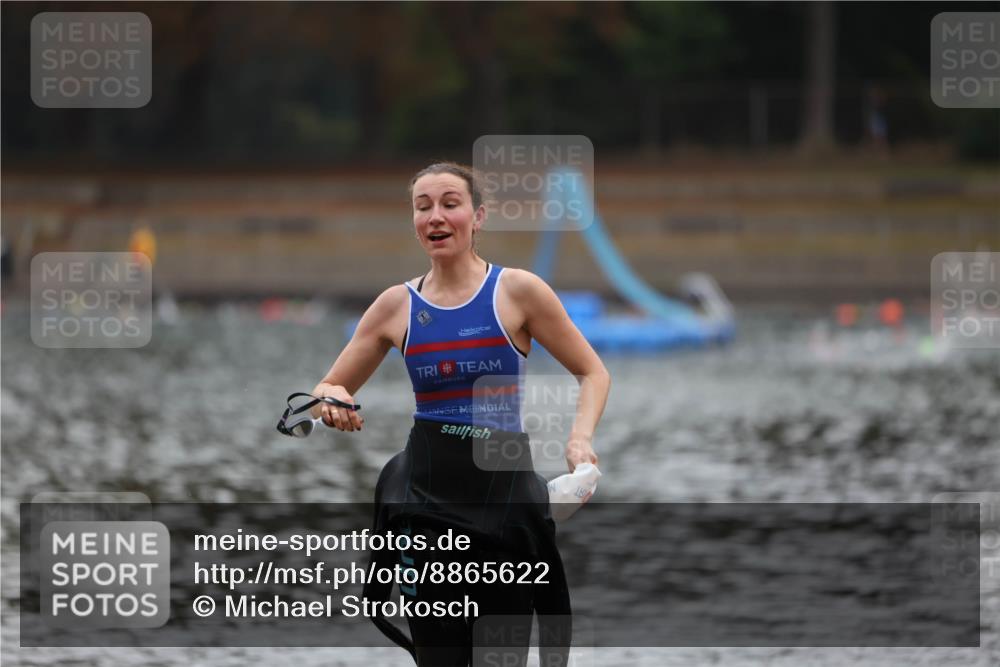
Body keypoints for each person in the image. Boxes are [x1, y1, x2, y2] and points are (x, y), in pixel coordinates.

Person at [310, 162, 610, 666]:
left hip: (505, 507)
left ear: (478, 215)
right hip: (425, 507)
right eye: (423, 206)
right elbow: (330, 386)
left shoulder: (517, 291)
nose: (436, 216)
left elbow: (593, 372)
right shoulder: (395, 307)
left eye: (450, 203)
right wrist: (330, 402)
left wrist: (580, 439)